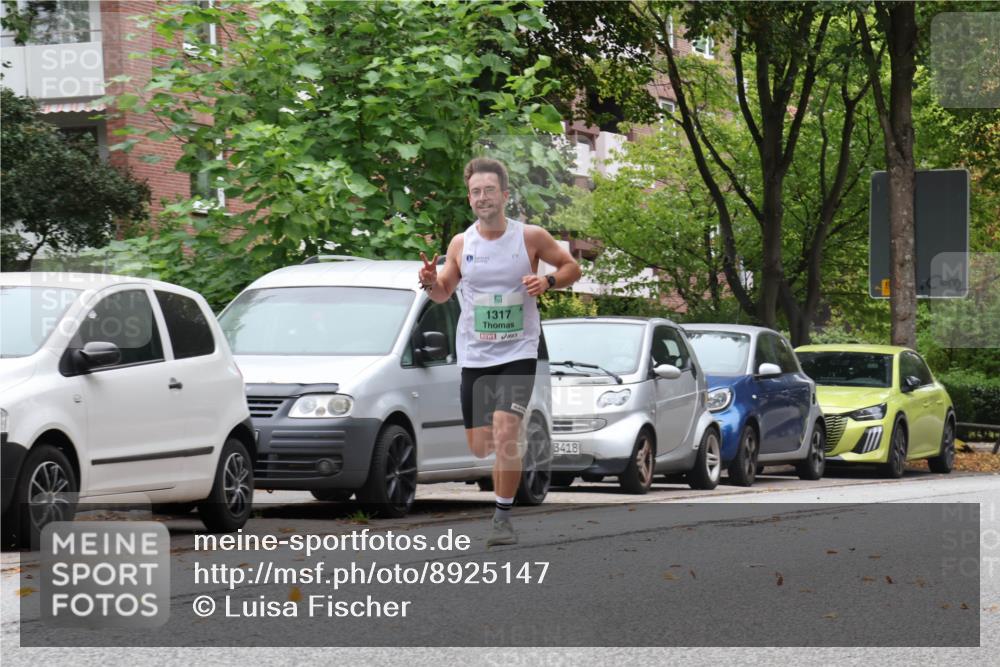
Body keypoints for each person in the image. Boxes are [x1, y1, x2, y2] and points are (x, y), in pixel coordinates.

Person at [418, 157, 581, 546]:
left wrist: (549, 280)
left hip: (519, 351)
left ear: (505, 195)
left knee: (507, 431)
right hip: (475, 354)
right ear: (470, 198)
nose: (482, 197)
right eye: (476, 191)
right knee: (480, 446)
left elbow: (572, 266)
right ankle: (512, 461)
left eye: (490, 190)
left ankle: (502, 518)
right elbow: (443, 293)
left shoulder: (530, 237)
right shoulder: (461, 243)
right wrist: (428, 284)